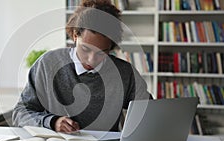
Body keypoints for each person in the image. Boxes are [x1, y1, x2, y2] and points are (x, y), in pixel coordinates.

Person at [12, 0, 152, 133]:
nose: (91, 60)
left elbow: (150, 113)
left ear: (111, 47)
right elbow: (20, 114)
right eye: (85, 49)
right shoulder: (47, 64)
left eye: (101, 53)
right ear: (74, 35)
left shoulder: (124, 73)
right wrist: (52, 122)